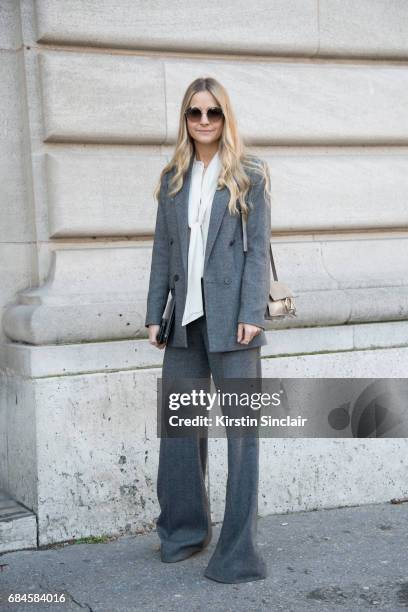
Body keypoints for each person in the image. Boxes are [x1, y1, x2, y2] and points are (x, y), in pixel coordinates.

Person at [145, 76, 272, 583]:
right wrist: (155, 310)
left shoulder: (249, 174)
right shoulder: (173, 176)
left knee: (243, 440)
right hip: (185, 323)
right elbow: (163, 250)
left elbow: (257, 248)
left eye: (213, 113)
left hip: (233, 324)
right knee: (179, 432)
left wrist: (251, 313)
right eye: (195, 113)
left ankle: (238, 554)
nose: (203, 122)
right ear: (185, 119)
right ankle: (183, 532)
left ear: (225, 118)